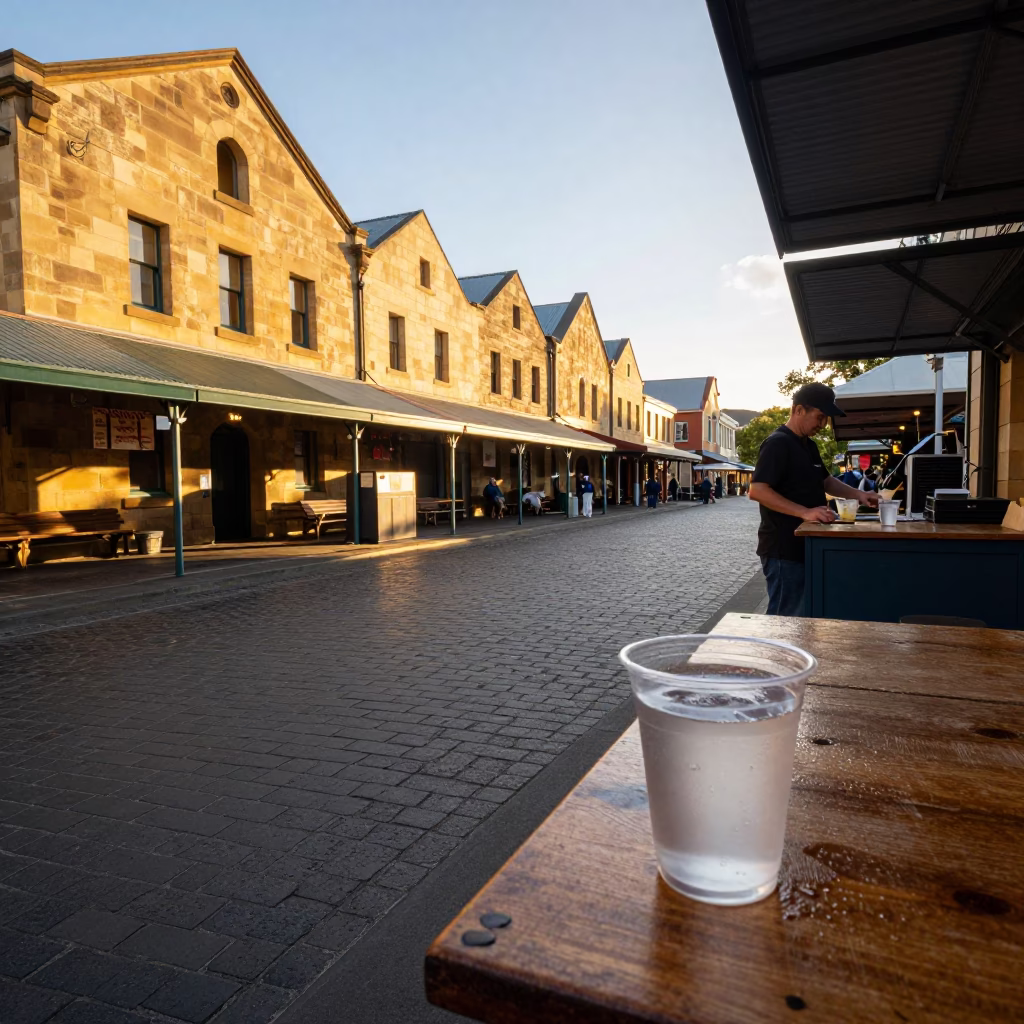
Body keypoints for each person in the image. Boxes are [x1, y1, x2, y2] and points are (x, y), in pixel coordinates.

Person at [750, 382, 879, 616]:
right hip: (783, 548)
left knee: (802, 618)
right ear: (798, 410)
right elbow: (757, 490)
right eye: (819, 417)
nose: (823, 424)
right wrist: (804, 512)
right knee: (784, 620)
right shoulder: (778, 443)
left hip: (806, 545)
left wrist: (860, 494)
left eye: (826, 419)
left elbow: (826, 481)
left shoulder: (809, 445)